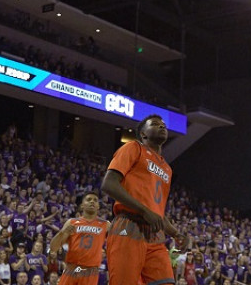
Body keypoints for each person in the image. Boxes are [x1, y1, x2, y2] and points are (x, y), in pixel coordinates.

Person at [101, 115, 183, 285]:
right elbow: (108, 184)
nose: (162, 127)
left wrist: (175, 233)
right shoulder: (133, 148)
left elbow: (157, 211)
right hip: (128, 225)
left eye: (163, 125)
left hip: (154, 234)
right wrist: (144, 211)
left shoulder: (167, 169)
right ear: (143, 134)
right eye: (155, 124)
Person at [48, 193, 109, 285]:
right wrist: (62, 232)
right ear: (82, 205)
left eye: (95, 200)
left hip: (90, 271)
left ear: (98, 206)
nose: (92, 201)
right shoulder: (72, 222)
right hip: (72, 268)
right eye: (88, 199)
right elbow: (53, 248)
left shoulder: (106, 224)